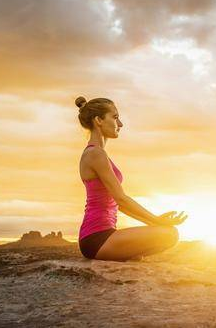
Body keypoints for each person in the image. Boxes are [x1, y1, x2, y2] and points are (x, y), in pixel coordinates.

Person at [75, 96, 188, 261]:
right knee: (169, 234)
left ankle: (128, 256)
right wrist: (156, 221)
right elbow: (121, 199)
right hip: (97, 238)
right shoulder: (95, 154)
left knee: (167, 233)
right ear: (98, 120)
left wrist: (155, 222)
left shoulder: (98, 153)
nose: (120, 124)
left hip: (101, 236)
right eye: (115, 117)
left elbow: (119, 204)